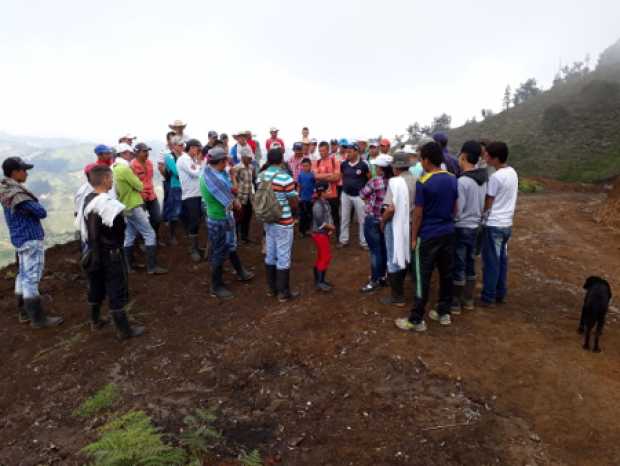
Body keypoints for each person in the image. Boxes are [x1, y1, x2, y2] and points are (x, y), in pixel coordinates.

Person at [395, 141, 458, 332]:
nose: (419, 162)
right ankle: (443, 312)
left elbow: (418, 214)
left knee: (422, 277)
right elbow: (455, 208)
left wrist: (414, 237)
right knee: (446, 274)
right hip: (448, 232)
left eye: (421, 158)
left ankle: (416, 319)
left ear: (427, 160)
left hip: (429, 235)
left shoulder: (424, 182)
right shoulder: (452, 178)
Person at [80, 165, 144, 339]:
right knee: (116, 288)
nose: (112, 181)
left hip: (93, 252)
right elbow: (119, 230)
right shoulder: (110, 205)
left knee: (96, 286)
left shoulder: (88, 199)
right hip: (111, 253)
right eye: (111, 178)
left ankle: (95, 320)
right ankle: (124, 330)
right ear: (107, 179)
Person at [0, 157, 64, 328]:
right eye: (23, 170)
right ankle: (38, 319)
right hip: (30, 239)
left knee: (22, 276)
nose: (26, 173)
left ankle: (23, 312)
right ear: (14, 172)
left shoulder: (5, 189)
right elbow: (41, 212)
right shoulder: (18, 194)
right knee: (31, 279)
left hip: (19, 239)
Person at [201, 148, 254, 299]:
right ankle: (215, 286)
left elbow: (231, 190)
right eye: (226, 160)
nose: (228, 162)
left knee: (229, 244)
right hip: (218, 218)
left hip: (222, 216)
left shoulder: (212, 173)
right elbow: (233, 201)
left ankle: (240, 271)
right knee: (219, 251)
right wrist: (235, 199)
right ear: (221, 162)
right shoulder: (214, 179)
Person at [113, 144, 168, 275]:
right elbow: (138, 185)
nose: (131, 155)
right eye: (130, 153)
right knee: (150, 234)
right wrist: (139, 186)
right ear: (124, 153)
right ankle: (152, 267)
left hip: (126, 204)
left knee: (130, 234)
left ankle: (129, 266)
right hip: (134, 203)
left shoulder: (115, 167)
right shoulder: (124, 169)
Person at [480, 141, 518, 307]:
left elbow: (489, 200)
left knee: (491, 263)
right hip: (507, 224)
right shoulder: (512, 172)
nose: (485, 157)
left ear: (495, 158)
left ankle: (488, 297)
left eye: (487, 155)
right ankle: (500, 293)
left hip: (494, 224)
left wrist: (482, 217)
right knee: (501, 260)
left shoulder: (496, 177)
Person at [258, 148, 299, 302]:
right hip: (283, 221)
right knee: (283, 255)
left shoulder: (261, 176)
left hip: (268, 219)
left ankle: (272, 289)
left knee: (270, 253)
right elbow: (293, 201)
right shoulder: (285, 178)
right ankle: (283, 292)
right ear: (281, 160)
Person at [452, 141, 488, 313]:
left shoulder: (463, 181)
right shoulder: (483, 178)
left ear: (464, 156)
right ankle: (468, 300)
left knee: (458, 263)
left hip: (462, 228)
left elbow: (458, 210)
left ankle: (455, 304)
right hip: (476, 227)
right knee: (470, 262)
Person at [380, 152, 417, 306]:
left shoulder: (395, 182)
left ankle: (397, 297)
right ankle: (406, 291)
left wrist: (382, 221)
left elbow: (390, 208)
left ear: (395, 168)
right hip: (411, 223)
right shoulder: (417, 180)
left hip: (395, 224)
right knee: (406, 254)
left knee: (393, 256)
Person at [359, 154, 393, 292]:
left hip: (373, 218)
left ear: (381, 168)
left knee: (375, 251)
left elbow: (362, 194)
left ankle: (374, 280)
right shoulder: (394, 181)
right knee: (385, 249)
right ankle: (383, 276)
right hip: (386, 219)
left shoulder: (375, 181)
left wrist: (369, 200)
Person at [177, 138, 205, 262]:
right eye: (197, 148)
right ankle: (193, 249)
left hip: (197, 194)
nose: (198, 151)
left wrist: (198, 163)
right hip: (190, 195)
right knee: (194, 221)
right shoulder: (184, 159)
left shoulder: (191, 160)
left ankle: (196, 247)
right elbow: (196, 173)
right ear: (191, 147)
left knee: (197, 219)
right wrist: (199, 163)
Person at [338, 143, 369, 249]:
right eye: (347, 151)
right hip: (346, 194)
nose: (348, 154)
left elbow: (369, 179)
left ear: (356, 152)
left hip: (359, 196)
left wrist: (366, 194)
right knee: (345, 218)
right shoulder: (344, 164)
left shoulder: (364, 165)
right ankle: (343, 240)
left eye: (350, 151)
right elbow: (341, 176)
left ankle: (364, 242)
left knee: (362, 220)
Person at [130, 143, 161, 238]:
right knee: (141, 221)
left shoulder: (149, 163)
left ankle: (152, 237)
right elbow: (131, 183)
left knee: (157, 218)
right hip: (140, 197)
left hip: (152, 195)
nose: (147, 153)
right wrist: (140, 193)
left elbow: (149, 179)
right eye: (144, 151)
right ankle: (143, 240)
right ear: (137, 153)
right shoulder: (132, 165)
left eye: (147, 151)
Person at [313, 141, 341, 240]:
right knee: (321, 216)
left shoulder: (335, 161)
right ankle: (324, 236)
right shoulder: (317, 162)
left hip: (333, 194)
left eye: (324, 150)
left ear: (328, 150)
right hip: (321, 196)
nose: (322, 153)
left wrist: (322, 177)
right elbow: (315, 176)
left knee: (335, 216)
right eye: (320, 151)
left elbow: (337, 177)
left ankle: (338, 237)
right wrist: (329, 174)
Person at [311, 182, 336, 291]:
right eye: (328, 190)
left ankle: (319, 280)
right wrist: (331, 227)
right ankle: (320, 282)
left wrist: (330, 227)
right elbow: (320, 221)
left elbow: (328, 217)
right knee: (325, 257)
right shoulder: (318, 205)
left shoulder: (324, 202)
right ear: (322, 192)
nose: (330, 192)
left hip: (323, 233)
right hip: (319, 234)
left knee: (322, 256)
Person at [231, 146, 256, 243]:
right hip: (240, 197)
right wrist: (235, 197)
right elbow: (233, 182)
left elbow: (251, 182)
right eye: (248, 157)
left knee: (247, 217)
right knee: (238, 218)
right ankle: (236, 238)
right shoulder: (236, 168)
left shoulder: (251, 167)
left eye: (250, 158)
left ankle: (245, 236)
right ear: (242, 157)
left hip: (249, 196)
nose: (250, 159)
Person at [162, 136, 184, 245]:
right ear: (174, 146)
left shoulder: (183, 156)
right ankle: (172, 236)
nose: (182, 147)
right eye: (180, 145)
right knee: (175, 211)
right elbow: (177, 172)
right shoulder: (169, 156)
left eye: (182, 145)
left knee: (183, 210)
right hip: (175, 186)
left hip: (184, 186)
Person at [297, 158, 315, 237]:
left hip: (310, 198)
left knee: (310, 215)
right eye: (303, 166)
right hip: (302, 198)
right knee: (302, 215)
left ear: (310, 166)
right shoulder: (300, 175)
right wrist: (298, 195)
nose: (305, 167)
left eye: (307, 166)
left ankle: (308, 230)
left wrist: (314, 196)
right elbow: (299, 186)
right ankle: (301, 231)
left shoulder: (313, 175)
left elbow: (315, 186)